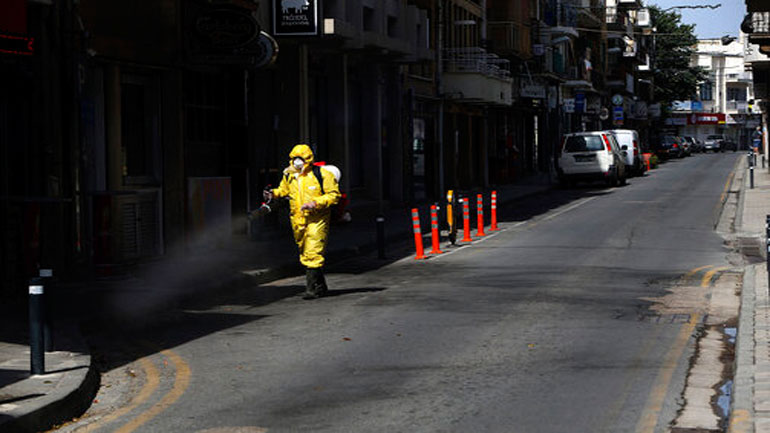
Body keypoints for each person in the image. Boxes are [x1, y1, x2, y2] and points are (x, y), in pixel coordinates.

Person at [264, 144, 341, 299]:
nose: (297, 162)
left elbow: (334, 195)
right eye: (294, 159)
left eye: (300, 159)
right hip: (297, 220)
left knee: (313, 250)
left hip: (317, 218)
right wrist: (273, 194)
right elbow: (283, 190)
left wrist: (316, 203)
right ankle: (320, 286)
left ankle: (312, 289)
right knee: (305, 252)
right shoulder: (290, 175)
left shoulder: (322, 174)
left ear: (308, 159)